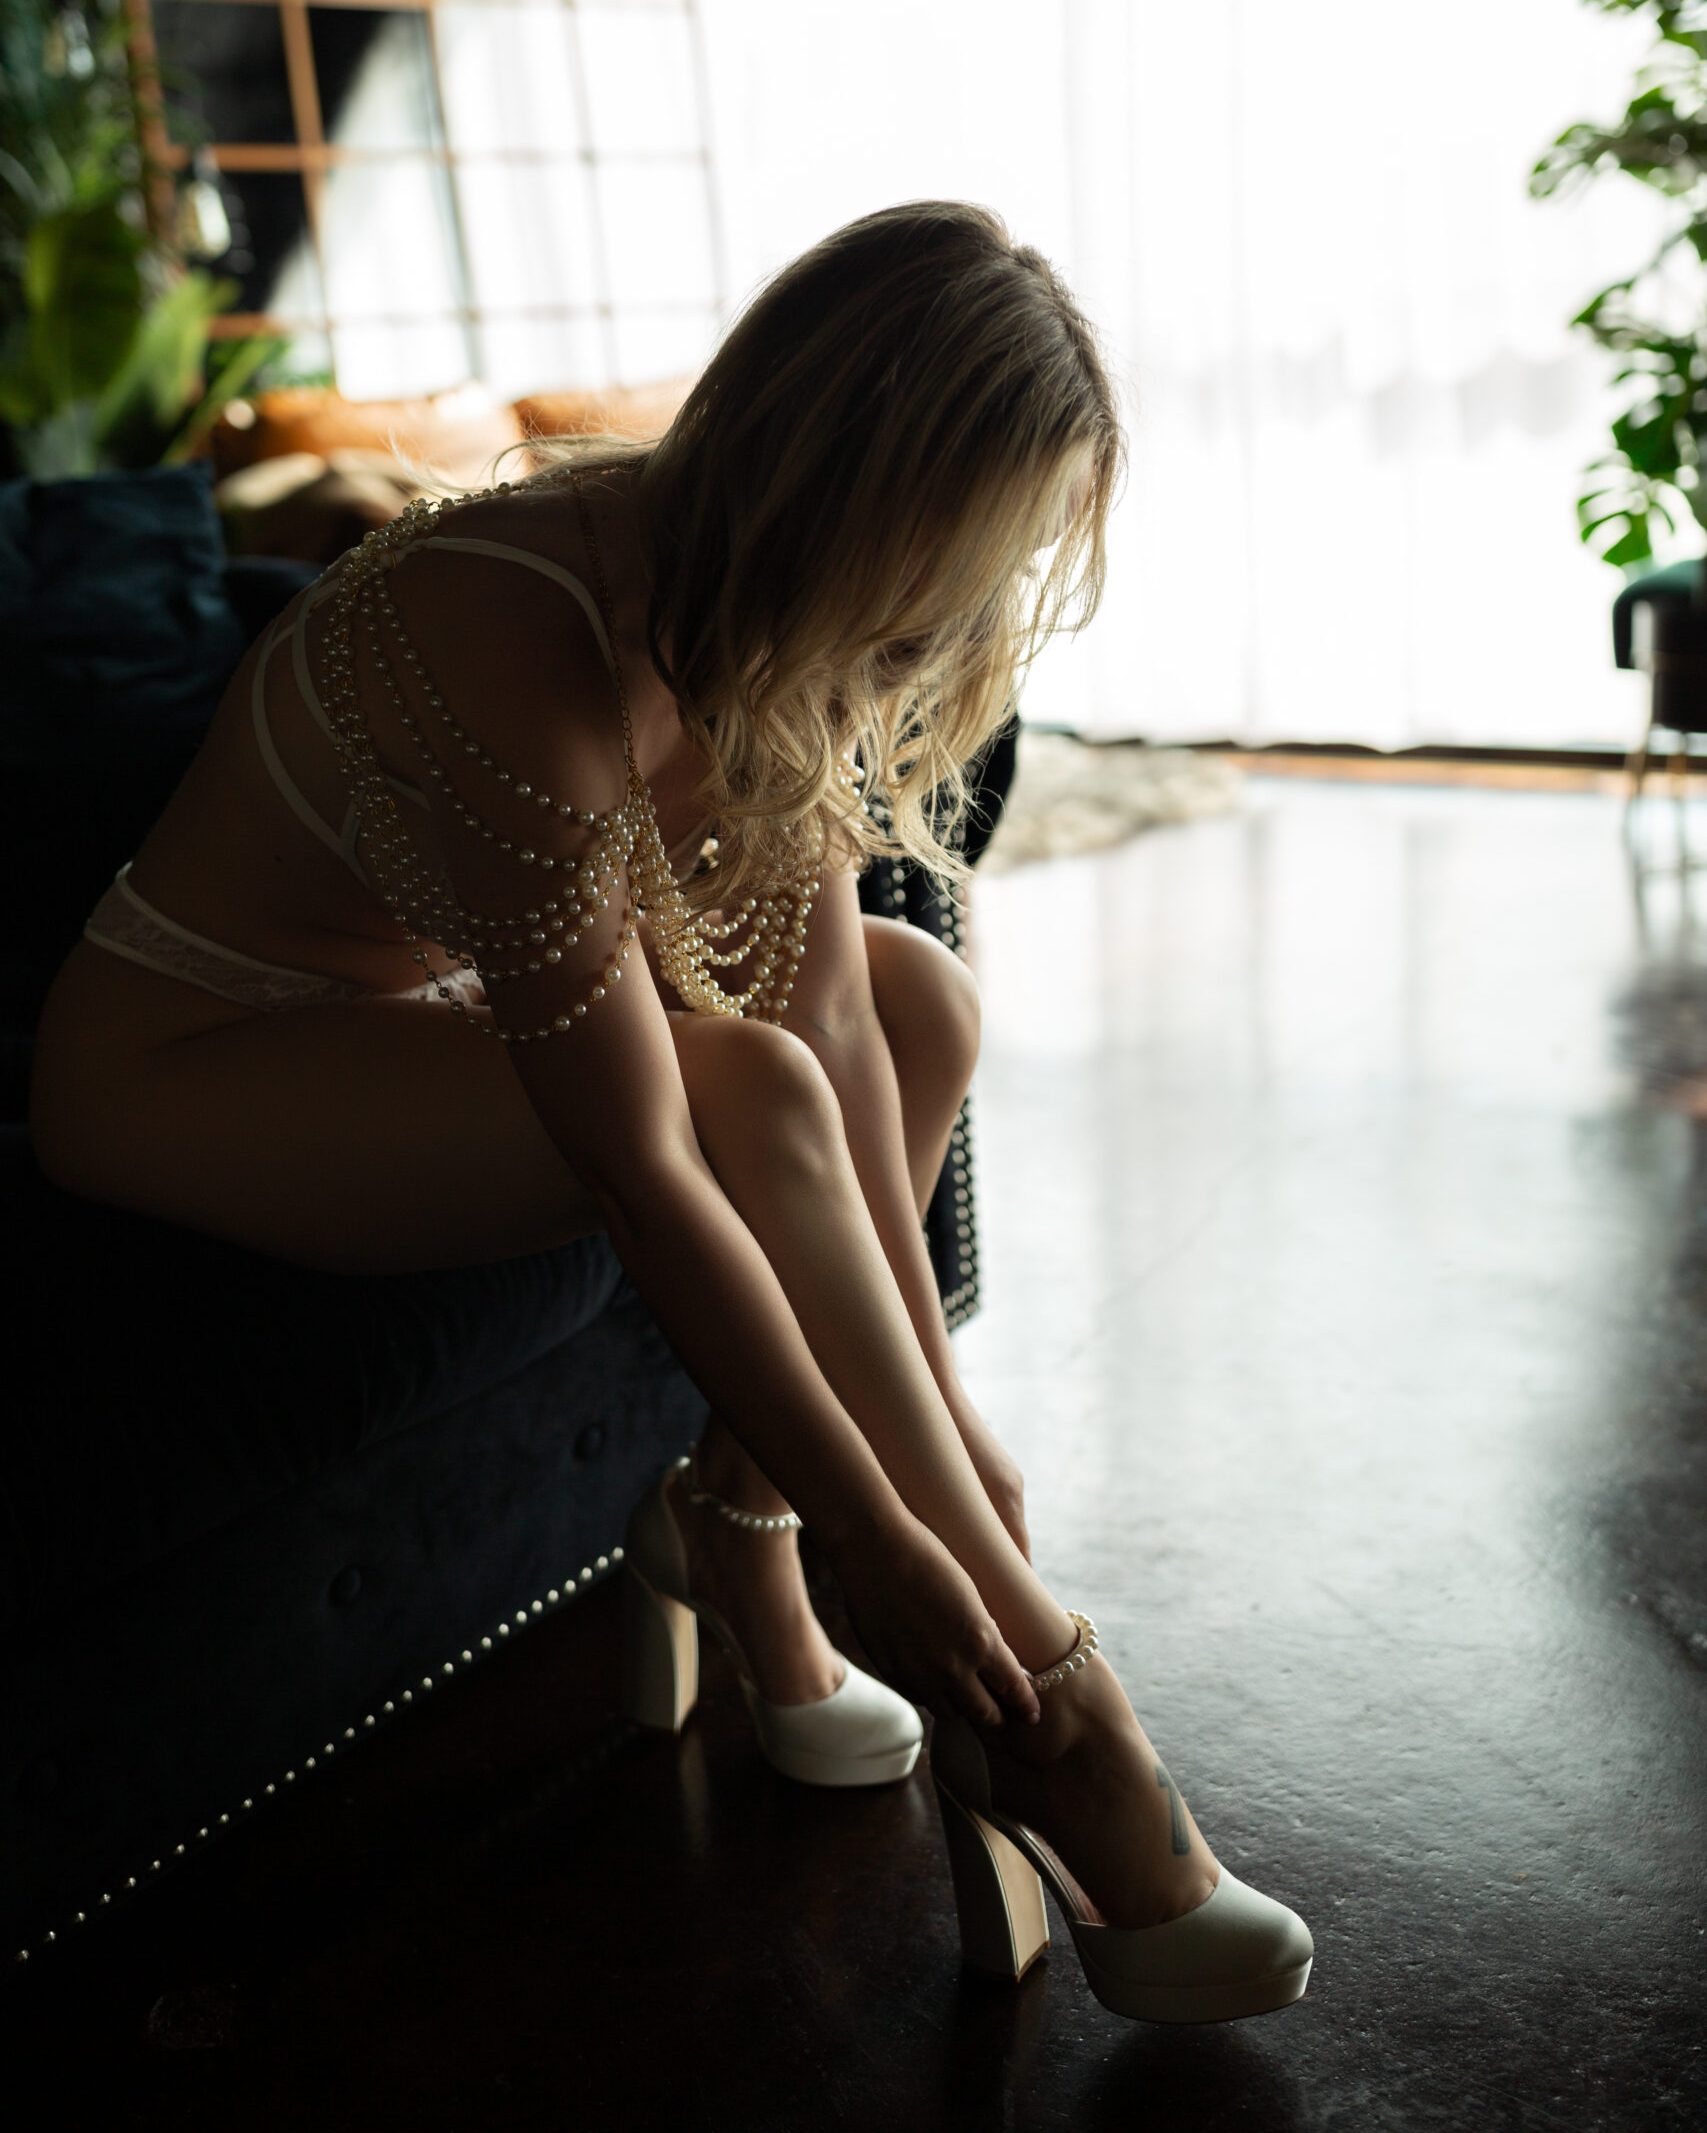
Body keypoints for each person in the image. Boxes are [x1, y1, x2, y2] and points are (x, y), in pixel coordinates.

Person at [29, 202, 1311, 2023]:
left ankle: (738, 1534)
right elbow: (654, 1165)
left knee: (919, 993)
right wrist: (904, 1538)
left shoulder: (769, 622)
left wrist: (954, 1427)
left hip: (403, 1007)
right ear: (851, 487)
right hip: (189, 1059)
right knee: (742, 1094)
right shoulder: (511, 632)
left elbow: (851, 1032)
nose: (962, 621)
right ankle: (1066, 1719)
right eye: (960, 555)